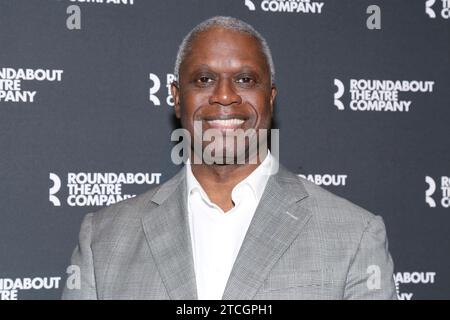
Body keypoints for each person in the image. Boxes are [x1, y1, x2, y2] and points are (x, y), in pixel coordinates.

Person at [62, 16, 396, 300]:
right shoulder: (104, 240)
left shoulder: (352, 236)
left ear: (270, 98)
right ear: (177, 99)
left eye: (245, 79)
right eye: (204, 79)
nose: (224, 96)